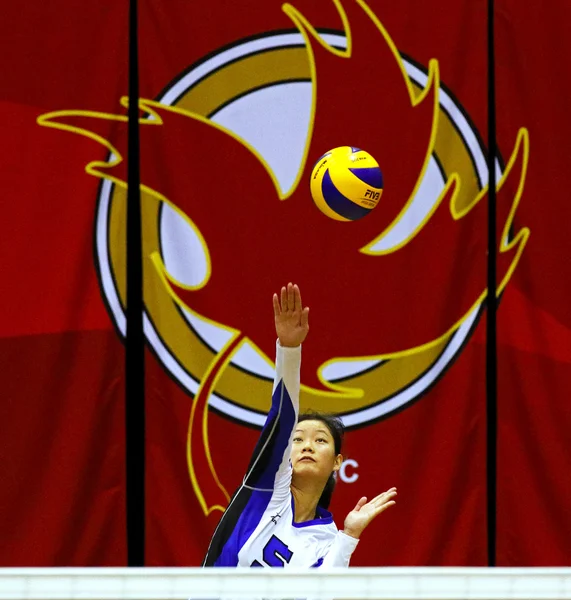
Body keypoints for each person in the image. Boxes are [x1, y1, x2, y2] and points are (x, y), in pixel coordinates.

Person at [203, 283, 397, 568]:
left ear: (337, 461)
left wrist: (350, 534)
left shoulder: (327, 539)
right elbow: (282, 421)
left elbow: (320, 594)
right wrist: (290, 349)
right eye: (298, 440)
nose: (307, 445)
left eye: (320, 440)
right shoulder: (267, 488)